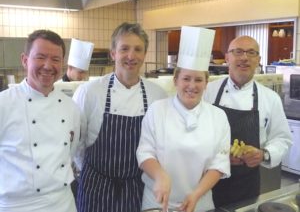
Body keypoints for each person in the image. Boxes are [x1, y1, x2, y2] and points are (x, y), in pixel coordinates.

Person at [73, 22, 168, 212]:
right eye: (124, 48)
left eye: (138, 49)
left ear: (144, 54)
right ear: (113, 53)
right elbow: (77, 143)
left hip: (136, 187)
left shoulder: (158, 95)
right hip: (95, 186)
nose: (131, 56)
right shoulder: (90, 91)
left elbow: (159, 145)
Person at [136, 26, 231, 212]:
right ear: (175, 80)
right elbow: (145, 153)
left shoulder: (218, 116)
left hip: (200, 202)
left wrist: (196, 194)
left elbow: (219, 164)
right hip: (157, 201)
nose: (192, 86)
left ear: (206, 83)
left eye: (198, 80)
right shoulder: (157, 110)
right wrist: (160, 176)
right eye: (186, 79)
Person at [203, 35, 292, 207]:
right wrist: (218, 155)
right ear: (227, 58)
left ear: (258, 60)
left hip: (246, 185)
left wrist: (263, 154)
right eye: (238, 52)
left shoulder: (270, 98)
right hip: (207, 181)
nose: (244, 57)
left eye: (251, 53)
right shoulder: (208, 92)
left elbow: (283, 139)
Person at [0, 29, 81, 212]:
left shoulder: (71, 108)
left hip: (62, 203)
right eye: (40, 57)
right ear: (25, 60)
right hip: (16, 205)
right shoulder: (3, 104)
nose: (47, 65)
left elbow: (72, 150)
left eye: (55, 59)